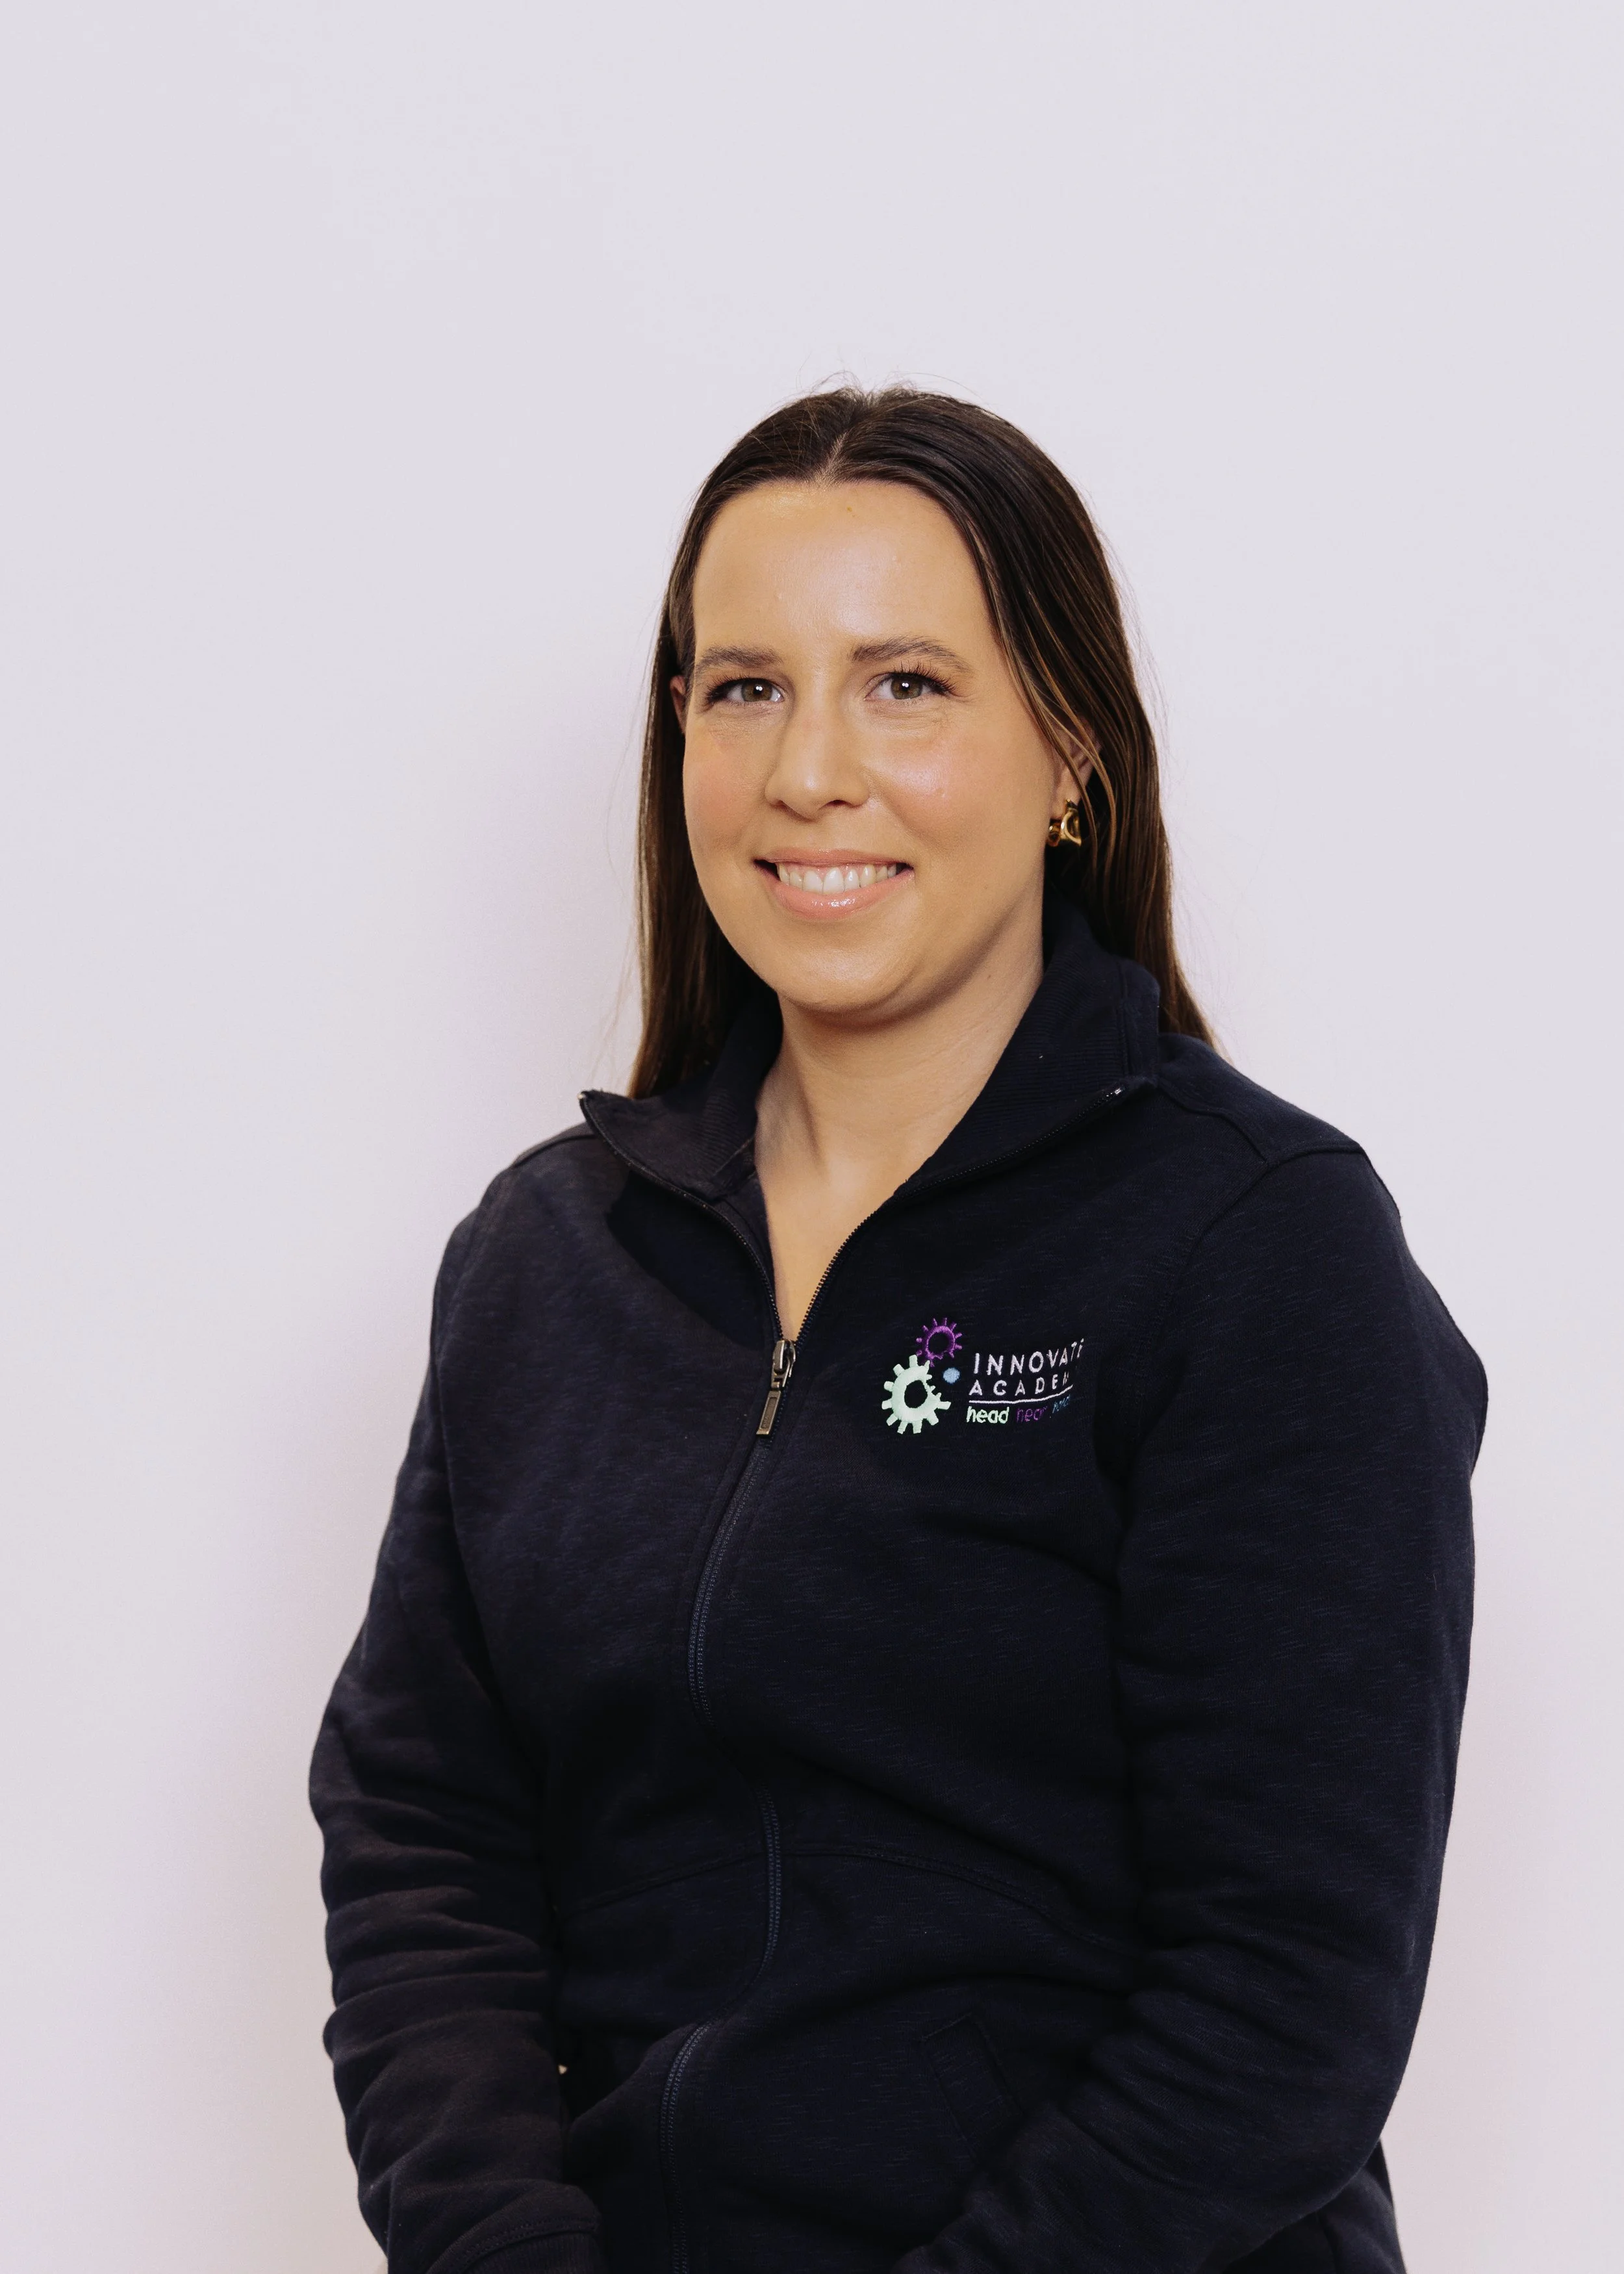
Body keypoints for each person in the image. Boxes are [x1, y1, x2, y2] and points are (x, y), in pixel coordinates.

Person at [311, 387, 1484, 2274]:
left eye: (907, 684)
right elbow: (423, 1845)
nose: (808, 772)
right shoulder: (546, 1258)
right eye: (743, 687)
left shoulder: (1256, 1244)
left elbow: (1285, 1995)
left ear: (1068, 755)